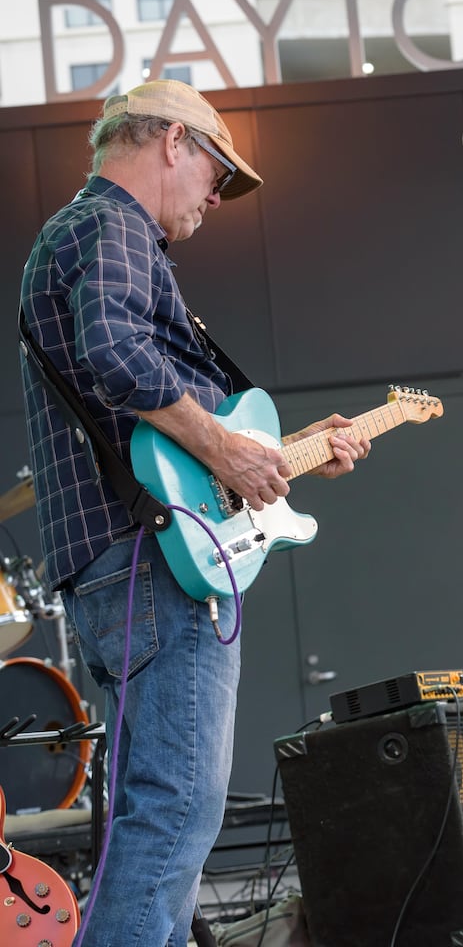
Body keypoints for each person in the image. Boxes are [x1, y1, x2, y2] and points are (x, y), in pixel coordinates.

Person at [18, 79, 370, 947]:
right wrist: (224, 448)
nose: (218, 196)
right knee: (175, 813)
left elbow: (149, 398)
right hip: (148, 558)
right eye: (217, 172)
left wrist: (274, 450)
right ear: (172, 140)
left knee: (159, 815)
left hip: (117, 559)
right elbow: (114, 348)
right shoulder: (114, 226)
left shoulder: (79, 235)